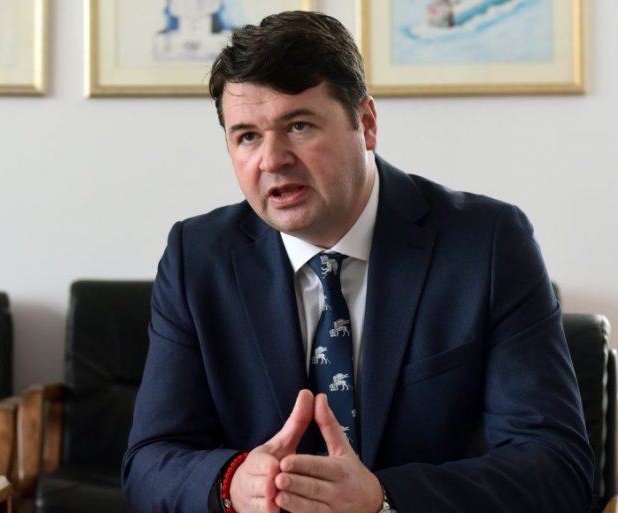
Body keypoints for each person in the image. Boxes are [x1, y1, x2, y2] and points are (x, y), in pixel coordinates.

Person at [123, 10, 593, 513]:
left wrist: (383, 499)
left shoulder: (488, 245)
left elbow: (555, 466)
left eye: (299, 125)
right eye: (247, 136)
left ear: (366, 124)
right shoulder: (197, 257)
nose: (272, 159)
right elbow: (149, 463)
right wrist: (233, 483)